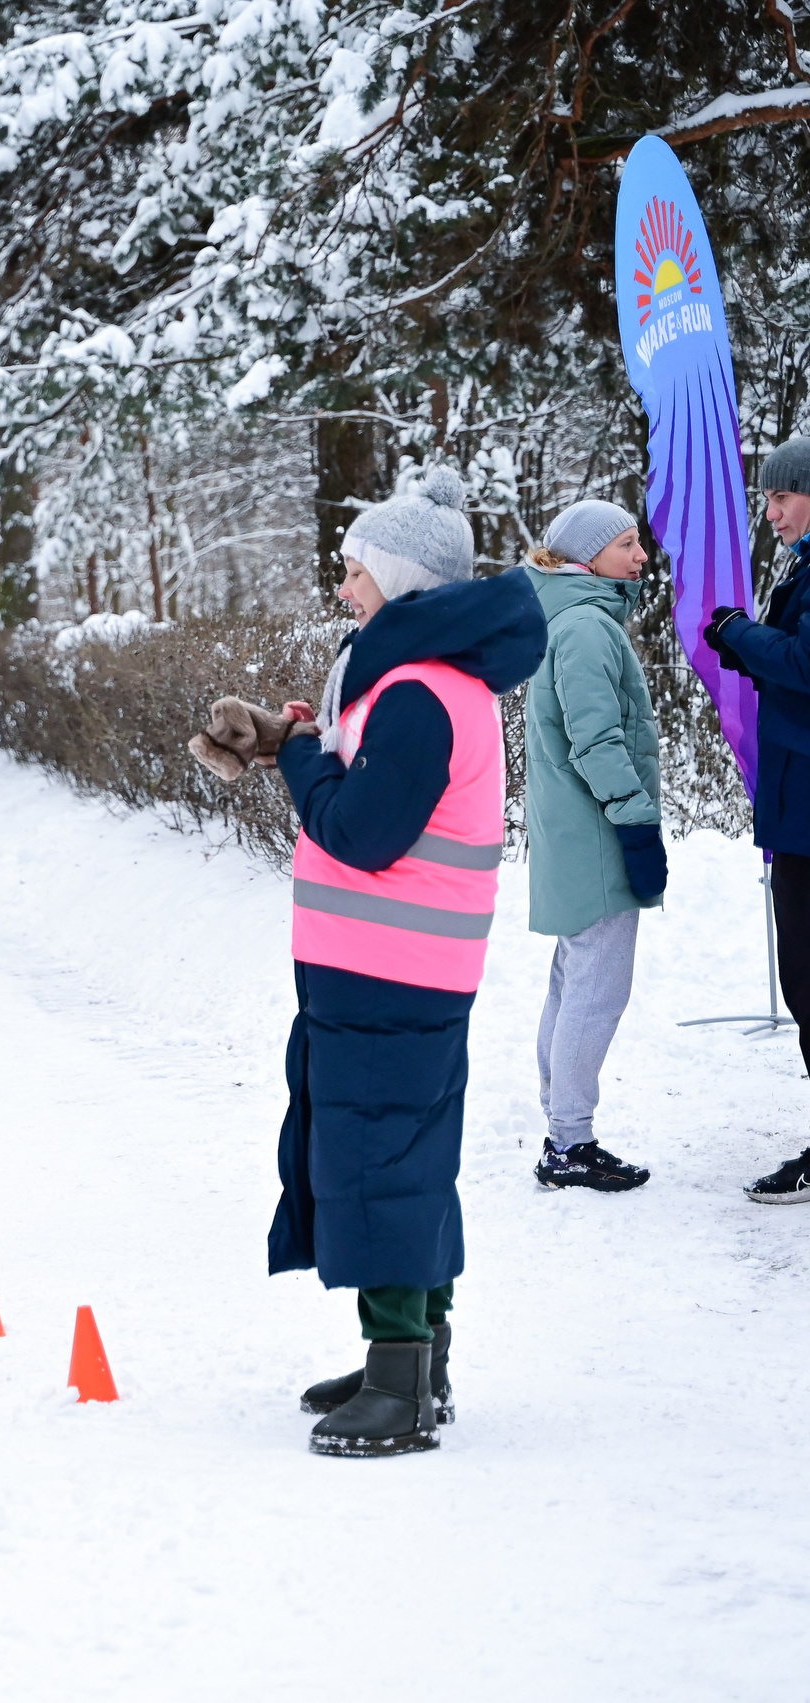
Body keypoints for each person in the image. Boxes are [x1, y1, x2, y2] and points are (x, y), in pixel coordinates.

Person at [264, 468, 545, 1457]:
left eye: (353, 569)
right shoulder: (418, 679)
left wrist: (297, 757)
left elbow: (363, 830)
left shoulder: (421, 691)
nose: (343, 587)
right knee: (400, 1153)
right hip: (388, 963)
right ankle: (416, 1354)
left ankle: (397, 1383)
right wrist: (316, 738)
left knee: (378, 1156)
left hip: (390, 966)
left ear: (396, 576)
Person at [520, 499, 660, 1192]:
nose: (641, 557)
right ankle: (569, 1140)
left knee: (572, 980)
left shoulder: (567, 617)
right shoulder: (583, 626)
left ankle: (562, 1124)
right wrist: (635, 822)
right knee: (596, 989)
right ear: (587, 556)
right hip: (597, 835)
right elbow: (597, 740)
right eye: (628, 544)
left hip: (573, 832)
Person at [702, 437, 810, 1202]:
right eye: (767, 499)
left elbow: (807, 665)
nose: (769, 512)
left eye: (782, 497)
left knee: (807, 978)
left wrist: (741, 634)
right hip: (796, 806)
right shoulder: (802, 566)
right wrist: (745, 642)